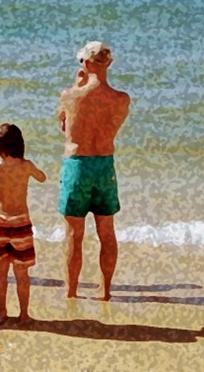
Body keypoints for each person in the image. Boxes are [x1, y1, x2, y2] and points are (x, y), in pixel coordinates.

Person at [57, 41, 131, 301]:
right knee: (106, 231)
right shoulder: (121, 100)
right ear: (108, 63)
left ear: (87, 63)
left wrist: (77, 85)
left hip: (77, 164)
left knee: (73, 234)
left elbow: (64, 127)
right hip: (104, 164)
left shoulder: (70, 96)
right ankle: (105, 290)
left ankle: (71, 291)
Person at [0, 123, 46, 324]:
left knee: (0, 271)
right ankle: (24, 314)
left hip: (0, 223)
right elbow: (42, 178)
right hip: (21, 223)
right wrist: (32, 169)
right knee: (22, 273)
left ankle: (2, 311)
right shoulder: (26, 166)